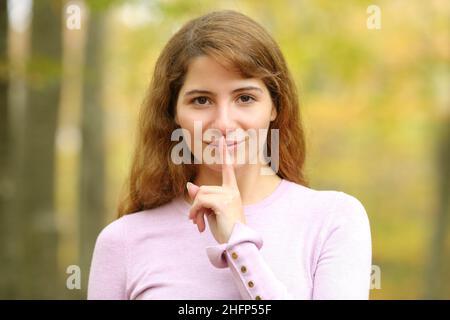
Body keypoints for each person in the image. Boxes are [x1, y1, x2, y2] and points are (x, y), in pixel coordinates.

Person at [87, 10, 372, 300]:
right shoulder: (123, 241)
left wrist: (239, 245)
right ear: (173, 113)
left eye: (245, 98)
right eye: (201, 100)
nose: (223, 123)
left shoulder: (334, 220)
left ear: (274, 106)